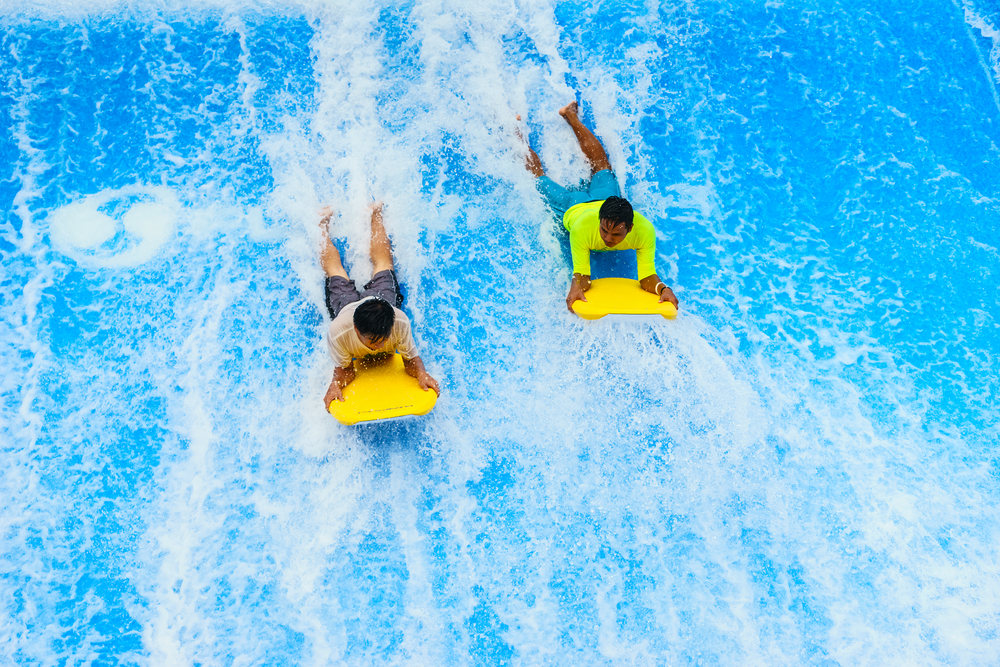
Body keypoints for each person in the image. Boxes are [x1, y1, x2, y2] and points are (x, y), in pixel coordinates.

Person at [520, 101, 680, 312]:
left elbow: (647, 278)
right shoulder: (583, 229)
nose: (607, 238)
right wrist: (575, 287)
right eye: (604, 230)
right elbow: (582, 277)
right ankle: (518, 136)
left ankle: (570, 116)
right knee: (538, 178)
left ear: (629, 228)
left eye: (615, 234)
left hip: (606, 198)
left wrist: (662, 289)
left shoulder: (644, 231)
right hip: (572, 206)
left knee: (602, 164)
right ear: (599, 221)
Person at [320, 202, 440, 410]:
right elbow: (346, 370)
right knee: (334, 270)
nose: (380, 346)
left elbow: (411, 360)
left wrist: (421, 373)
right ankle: (322, 225)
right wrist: (335, 385)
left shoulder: (398, 321)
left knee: (384, 264)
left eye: (383, 339)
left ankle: (376, 213)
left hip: (381, 303)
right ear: (356, 330)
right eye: (373, 341)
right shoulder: (339, 332)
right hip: (346, 309)